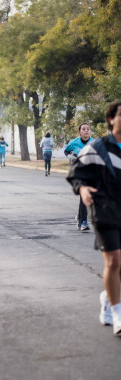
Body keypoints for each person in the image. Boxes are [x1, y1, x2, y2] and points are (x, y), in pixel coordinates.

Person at [66, 100, 121, 336]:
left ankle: (107, 298)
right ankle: (118, 314)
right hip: (104, 210)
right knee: (115, 261)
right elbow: (76, 172)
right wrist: (83, 189)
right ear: (112, 120)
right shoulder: (98, 148)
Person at [65, 123, 94, 231]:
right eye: (83, 129)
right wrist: (70, 157)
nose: (86, 130)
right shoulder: (74, 142)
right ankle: (84, 221)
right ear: (79, 131)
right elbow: (66, 150)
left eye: (88, 129)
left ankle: (79, 216)